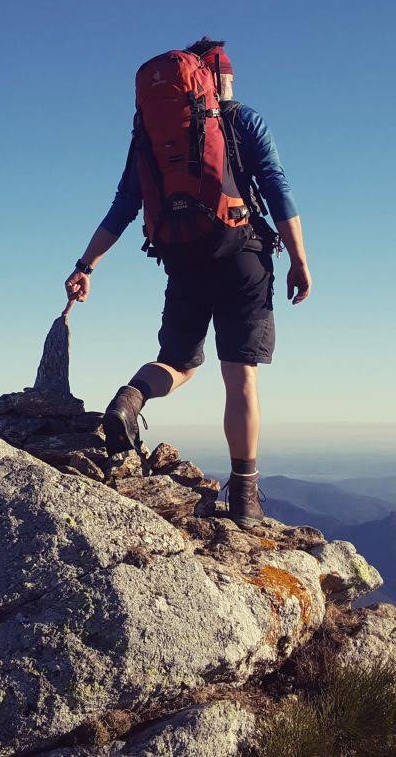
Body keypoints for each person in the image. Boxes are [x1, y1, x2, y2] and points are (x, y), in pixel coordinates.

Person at [64, 37, 310, 527]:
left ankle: (131, 396)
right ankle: (244, 495)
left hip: (181, 256)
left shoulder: (150, 139)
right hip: (243, 257)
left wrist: (86, 265)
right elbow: (277, 188)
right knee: (239, 374)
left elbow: (123, 206)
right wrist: (300, 259)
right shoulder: (242, 120)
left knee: (178, 361)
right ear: (218, 79)